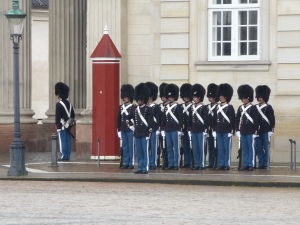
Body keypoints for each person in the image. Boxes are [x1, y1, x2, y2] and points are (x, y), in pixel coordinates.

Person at [236, 85, 260, 171]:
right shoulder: (240, 108)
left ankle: (251, 164)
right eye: (242, 98)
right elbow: (237, 119)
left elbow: (256, 120)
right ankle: (245, 164)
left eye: (245, 98)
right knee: (244, 148)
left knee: (251, 148)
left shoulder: (253, 108)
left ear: (248, 98)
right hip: (243, 131)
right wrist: (237, 130)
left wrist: (255, 131)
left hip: (250, 131)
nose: (243, 99)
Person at [161, 83, 183, 170]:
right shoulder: (166, 107)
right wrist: (163, 128)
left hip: (175, 129)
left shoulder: (178, 106)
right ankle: (170, 163)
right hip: (167, 129)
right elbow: (163, 118)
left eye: (171, 97)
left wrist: (179, 129)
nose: (170, 98)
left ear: (174, 97)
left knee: (176, 147)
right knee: (169, 148)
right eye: (169, 97)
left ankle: (176, 164)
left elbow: (181, 119)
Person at [133, 83, 153, 174]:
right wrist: (131, 126)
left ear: (144, 100)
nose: (139, 101)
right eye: (138, 100)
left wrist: (149, 132)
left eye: (140, 100)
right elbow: (128, 117)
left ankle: (145, 168)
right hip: (137, 133)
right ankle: (140, 167)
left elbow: (150, 122)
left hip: (145, 133)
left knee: (145, 152)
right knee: (139, 152)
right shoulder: (135, 109)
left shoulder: (148, 109)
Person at [255, 85, 275, 169]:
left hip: (266, 130)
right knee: (259, 148)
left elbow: (272, 118)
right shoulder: (255, 107)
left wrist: (271, 129)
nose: (259, 98)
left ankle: (266, 163)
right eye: (258, 97)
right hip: (257, 130)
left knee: (266, 148)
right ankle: (261, 163)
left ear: (265, 97)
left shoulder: (268, 107)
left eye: (261, 97)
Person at [215, 83, 235, 170]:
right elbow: (214, 119)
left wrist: (231, 130)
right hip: (219, 129)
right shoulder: (217, 107)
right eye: (220, 96)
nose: (221, 97)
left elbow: (232, 119)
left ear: (226, 97)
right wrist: (214, 129)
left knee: (226, 148)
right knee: (220, 148)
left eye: (223, 96)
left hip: (227, 130)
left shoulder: (230, 107)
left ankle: (226, 164)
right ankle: (221, 163)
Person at [189, 84, 208, 170]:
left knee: (201, 148)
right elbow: (190, 119)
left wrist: (205, 129)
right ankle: (197, 164)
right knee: (195, 148)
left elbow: (206, 119)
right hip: (194, 130)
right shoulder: (192, 107)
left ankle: (202, 164)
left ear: (199, 98)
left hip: (201, 130)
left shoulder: (203, 107)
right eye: (193, 97)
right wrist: (190, 129)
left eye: (196, 97)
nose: (194, 98)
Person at [117, 84, 136, 169]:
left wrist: (133, 127)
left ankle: (131, 163)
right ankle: (125, 162)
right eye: (123, 97)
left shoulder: (134, 107)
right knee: (124, 147)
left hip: (130, 130)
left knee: (131, 147)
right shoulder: (121, 107)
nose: (124, 98)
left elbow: (135, 119)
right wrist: (118, 130)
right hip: (123, 129)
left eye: (126, 97)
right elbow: (118, 119)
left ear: (130, 97)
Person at [55, 82, 75, 161]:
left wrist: (58, 126)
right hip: (69, 125)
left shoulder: (59, 104)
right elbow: (73, 115)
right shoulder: (69, 104)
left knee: (62, 140)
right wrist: (69, 123)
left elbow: (58, 117)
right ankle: (67, 155)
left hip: (62, 125)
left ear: (59, 94)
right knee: (68, 140)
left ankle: (64, 156)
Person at [145, 82, 161, 170]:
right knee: (146, 147)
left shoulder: (156, 107)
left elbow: (158, 119)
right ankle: (147, 161)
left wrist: (158, 128)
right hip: (145, 130)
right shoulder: (144, 107)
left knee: (154, 148)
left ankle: (153, 163)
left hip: (154, 130)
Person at [179, 83, 193, 168]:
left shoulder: (193, 106)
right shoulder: (181, 106)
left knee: (192, 147)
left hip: (191, 129)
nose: (185, 98)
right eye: (184, 96)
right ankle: (186, 162)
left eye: (187, 96)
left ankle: (192, 162)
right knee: (185, 147)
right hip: (183, 129)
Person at [206, 83, 219, 168]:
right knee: (210, 147)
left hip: (216, 130)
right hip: (209, 130)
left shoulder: (218, 107)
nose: (210, 99)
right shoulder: (206, 107)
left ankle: (217, 162)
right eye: (209, 97)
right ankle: (211, 163)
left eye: (212, 97)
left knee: (217, 148)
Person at [158, 83, 169, 168]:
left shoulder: (170, 106)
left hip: (167, 129)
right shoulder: (159, 106)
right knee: (161, 147)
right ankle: (160, 161)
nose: (163, 98)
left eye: (164, 96)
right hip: (160, 130)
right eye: (162, 96)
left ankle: (167, 162)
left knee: (168, 147)